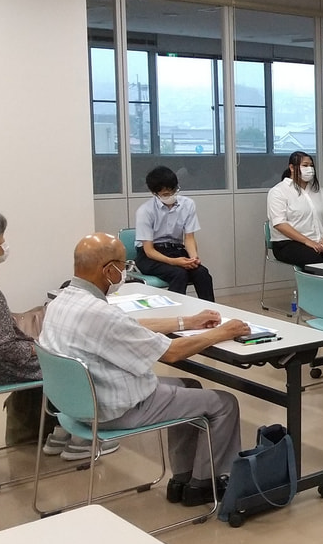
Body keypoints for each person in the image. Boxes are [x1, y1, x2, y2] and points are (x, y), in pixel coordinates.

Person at [39, 233, 251, 505]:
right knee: (224, 403)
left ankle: (183, 478)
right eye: (123, 265)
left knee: (190, 387)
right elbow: (172, 353)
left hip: (75, 404)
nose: (125, 272)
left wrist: (187, 322)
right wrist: (222, 332)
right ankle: (205, 484)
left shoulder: (62, 300)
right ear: (108, 270)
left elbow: (127, 327)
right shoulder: (100, 314)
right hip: (113, 408)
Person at [0, 208, 52, 446]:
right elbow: (6, 348)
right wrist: (41, 347)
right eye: (1, 239)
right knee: (76, 361)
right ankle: (79, 432)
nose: (5, 244)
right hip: (1, 369)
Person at [134, 166, 214, 301]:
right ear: (155, 193)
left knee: (202, 273)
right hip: (150, 256)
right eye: (165, 194)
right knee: (179, 274)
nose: (171, 196)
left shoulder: (188, 204)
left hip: (175, 250)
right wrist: (174, 262)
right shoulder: (145, 211)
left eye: (174, 191)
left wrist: (194, 258)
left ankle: (212, 314)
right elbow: (148, 250)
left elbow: (189, 238)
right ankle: (176, 315)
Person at [266, 151, 323, 265]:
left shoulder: (319, 191)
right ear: (292, 167)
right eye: (305, 165)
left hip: (321, 240)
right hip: (289, 243)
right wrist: (307, 242)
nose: (309, 169)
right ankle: (319, 283)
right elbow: (279, 224)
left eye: (311, 166)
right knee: (314, 260)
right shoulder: (278, 191)